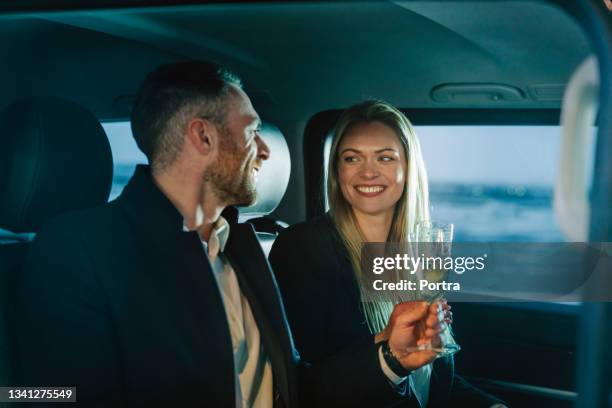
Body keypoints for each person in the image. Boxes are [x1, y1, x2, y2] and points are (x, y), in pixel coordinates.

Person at [16, 63, 446, 407]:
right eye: (252, 132)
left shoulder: (239, 248)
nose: (263, 151)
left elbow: (296, 390)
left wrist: (392, 357)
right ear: (203, 136)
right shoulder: (79, 250)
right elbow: (47, 396)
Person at [269, 100, 509, 407]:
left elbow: (427, 383)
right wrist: (388, 353)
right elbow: (301, 389)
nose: (368, 172)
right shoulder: (304, 249)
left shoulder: (416, 254)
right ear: (337, 171)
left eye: (384, 158)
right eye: (352, 158)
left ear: (408, 169)